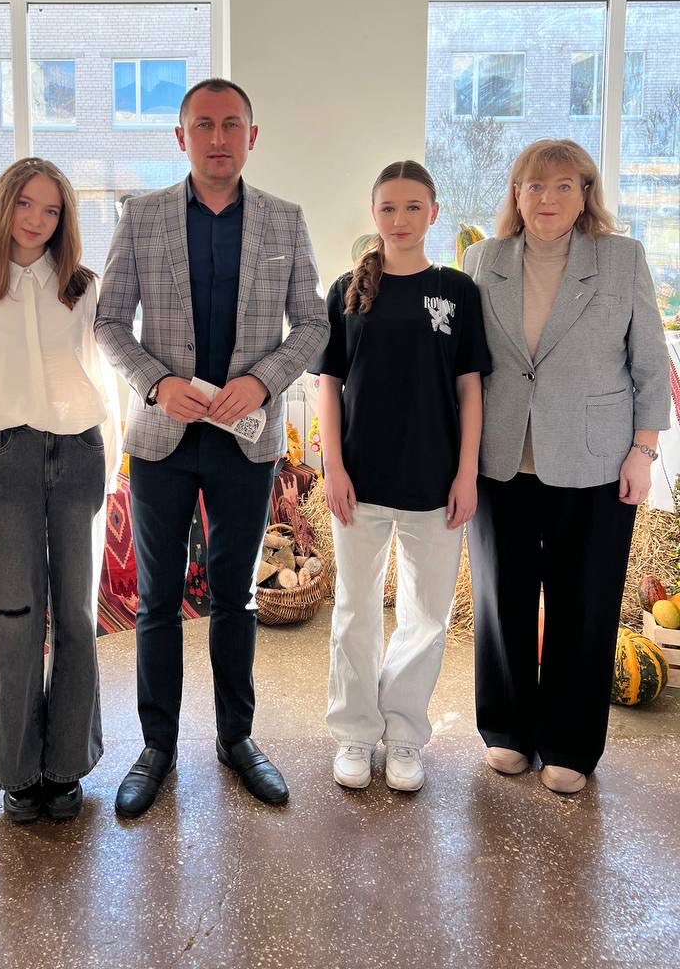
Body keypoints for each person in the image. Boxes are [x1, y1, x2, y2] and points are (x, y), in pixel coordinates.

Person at [95, 78, 329, 817]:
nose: (218, 137)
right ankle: (156, 747)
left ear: (252, 137)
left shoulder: (285, 221)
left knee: (235, 597)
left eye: (232, 125)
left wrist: (262, 382)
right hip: (163, 440)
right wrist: (157, 382)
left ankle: (237, 739)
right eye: (204, 124)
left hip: (244, 442)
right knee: (158, 601)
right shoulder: (142, 217)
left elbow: (313, 324)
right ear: (181, 136)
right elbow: (108, 321)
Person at [463, 139, 670, 794]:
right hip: (501, 459)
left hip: (597, 460)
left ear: (585, 195)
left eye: (562, 186)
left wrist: (643, 451)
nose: (546, 198)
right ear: (516, 194)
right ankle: (506, 730)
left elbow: (649, 362)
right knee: (502, 599)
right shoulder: (482, 260)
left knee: (584, 604)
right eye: (533, 186)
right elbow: (466, 366)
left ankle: (570, 745)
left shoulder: (621, 258)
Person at [312, 161, 490, 793]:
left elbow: (470, 390)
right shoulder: (347, 291)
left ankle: (405, 733)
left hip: (434, 482)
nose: (400, 219)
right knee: (354, 610)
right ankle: (355, 733)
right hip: (359, 483)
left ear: (433, 213)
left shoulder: (456, 291)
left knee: (426, 616)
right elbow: (328, 386)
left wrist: (466, 474)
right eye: (388, 207)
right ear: (374, 214)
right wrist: (333, 467)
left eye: (413, 207)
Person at [0, 158, 119, 824]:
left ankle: (66, 764)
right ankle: (19, 772)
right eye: (25, 204)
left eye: (51, 210)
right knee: (14, 617)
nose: (37, 220)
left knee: (76, 614)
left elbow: (106, 378)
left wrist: (112, 466)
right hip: (9, 459)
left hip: (78, 454)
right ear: (4, 208)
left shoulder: (83, 288)